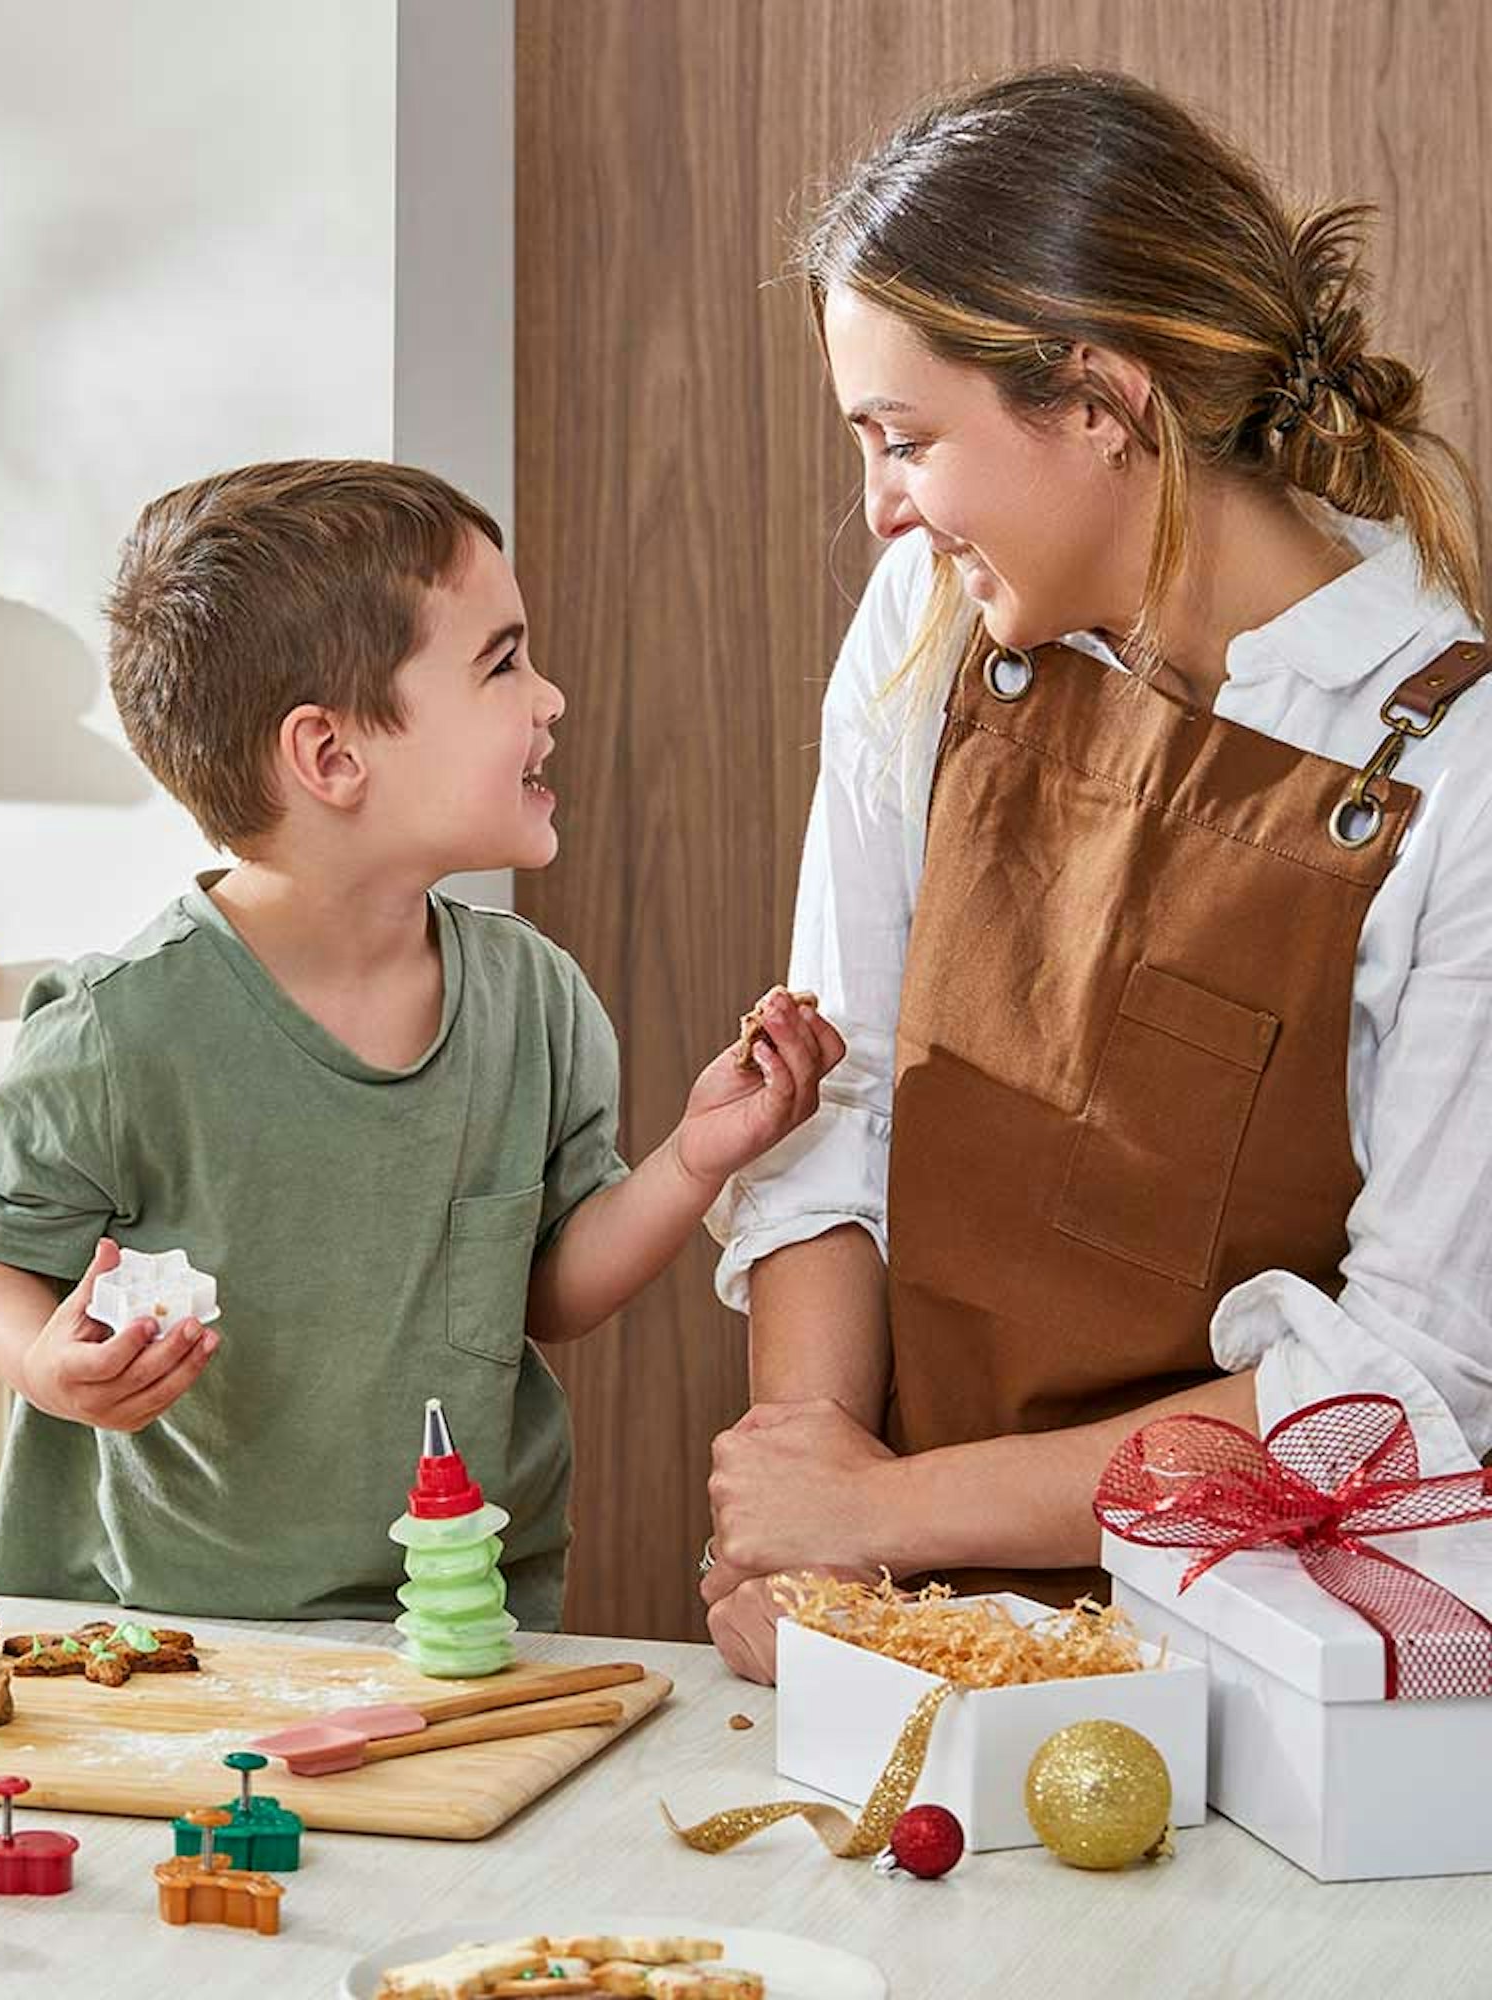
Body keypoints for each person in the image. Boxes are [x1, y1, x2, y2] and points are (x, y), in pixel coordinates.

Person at [700, 66, 1492, 1681]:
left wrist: (890, 1510)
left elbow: (1407, 1384)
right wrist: (811, 1539)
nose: (881, 512)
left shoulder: (1454, 771)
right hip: (902, 1632)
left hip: (1269, 1691)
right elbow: (829, 1115)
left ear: (1102, 399)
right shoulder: (928, 621)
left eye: (906, 439)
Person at [0, 458, 841, 1626]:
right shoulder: (121, 1032)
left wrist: (692, 1159)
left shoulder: (534, 998)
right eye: (502, 661)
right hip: (172, 1636)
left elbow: (547, 1290)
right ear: (331, 757)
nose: (549, 697)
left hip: (458, 1617)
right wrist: (41, 1364)